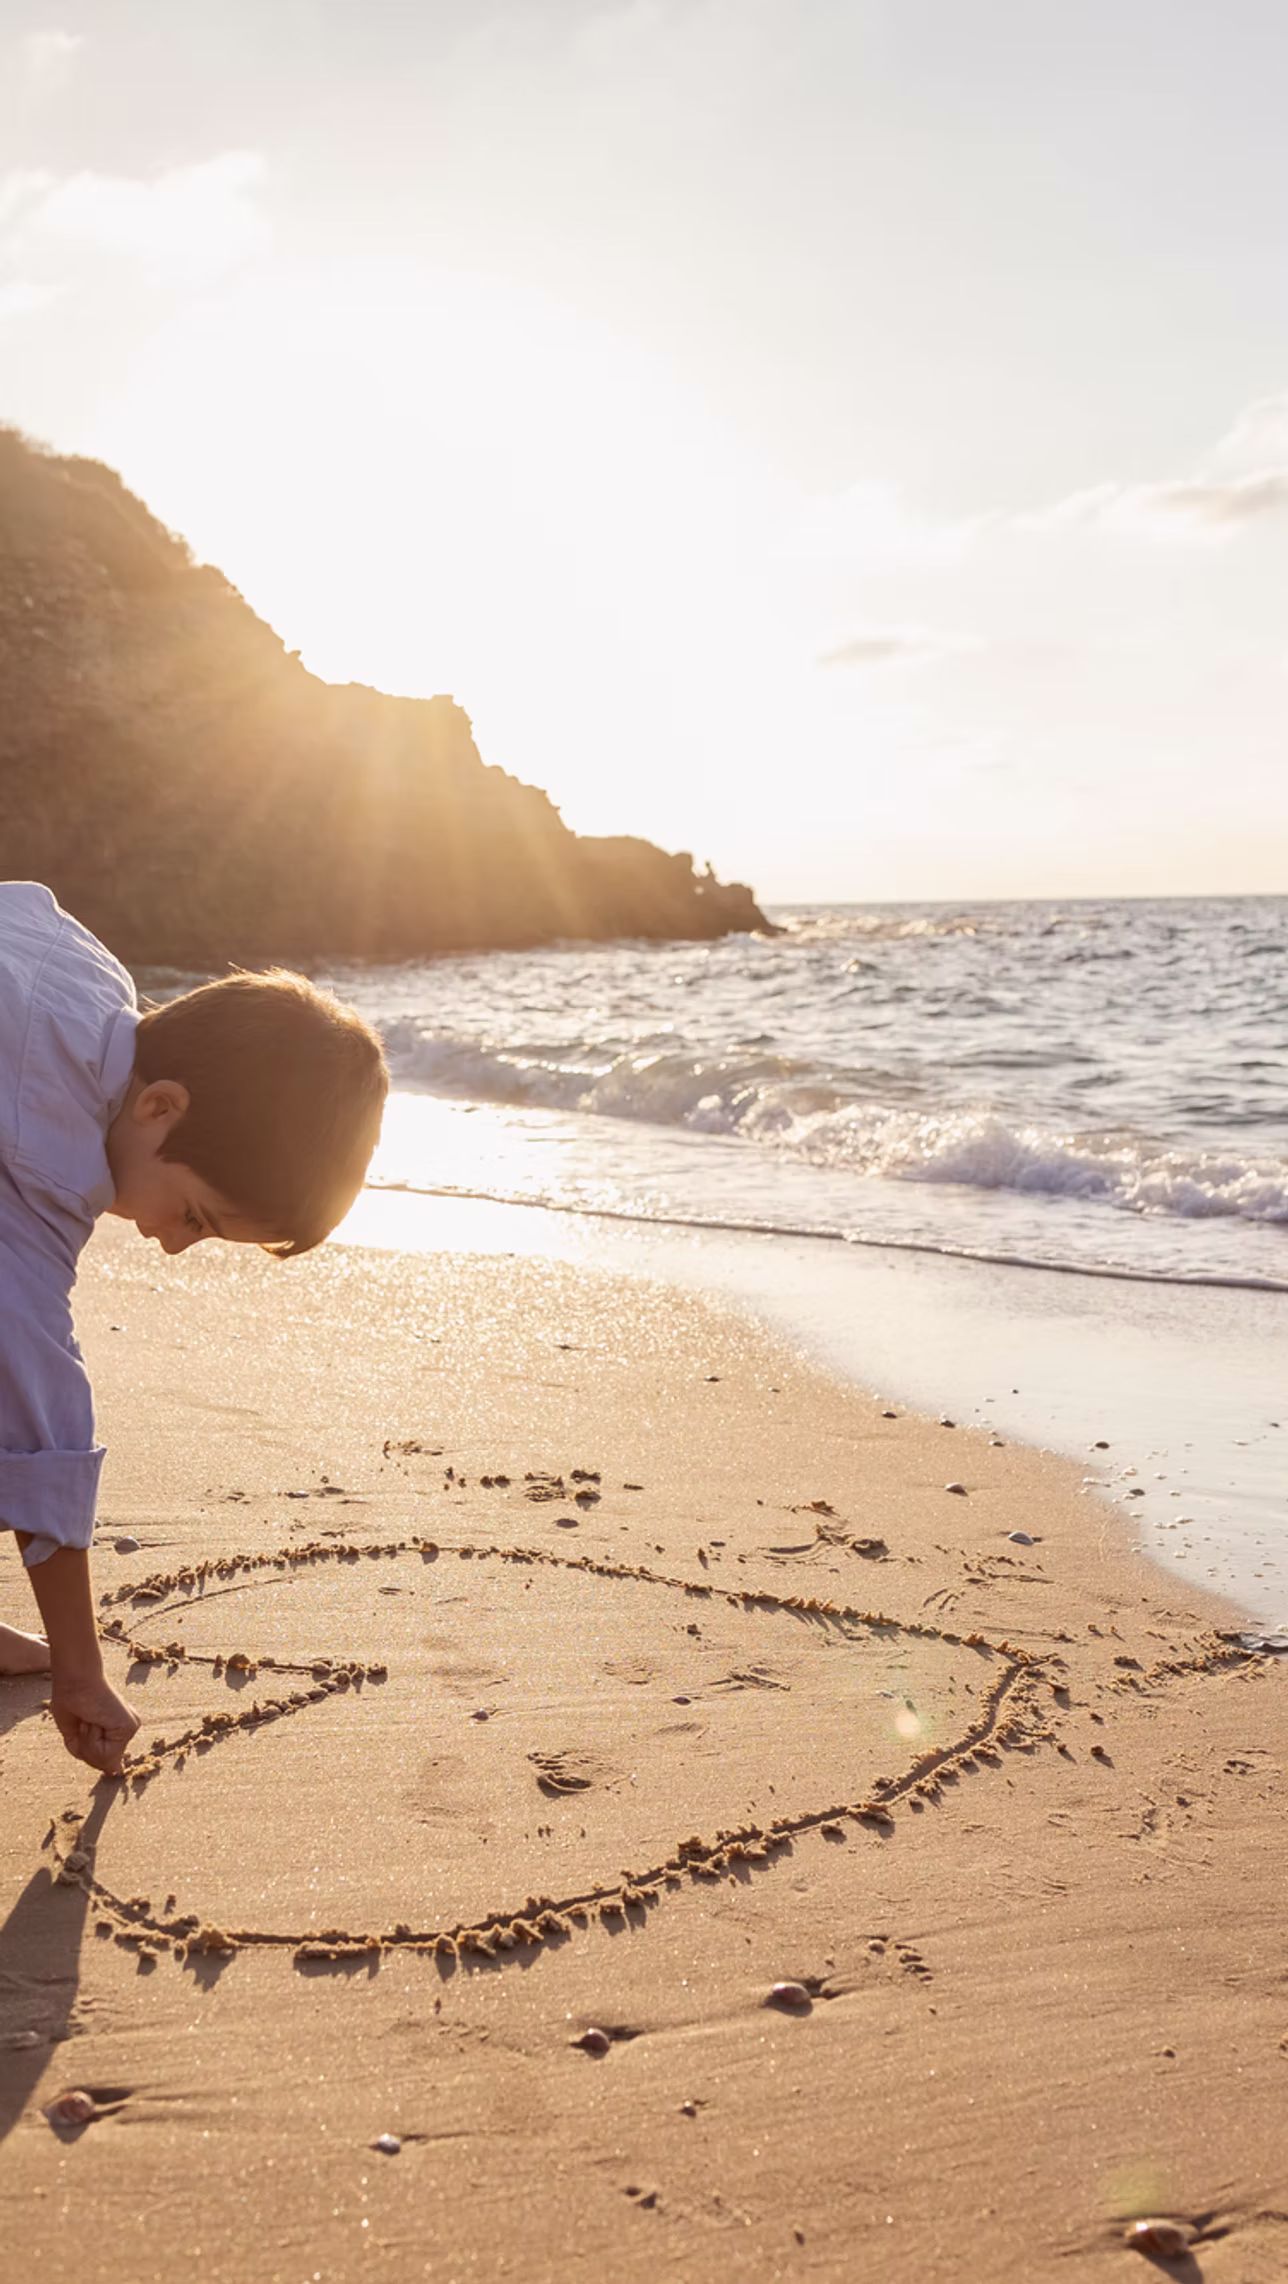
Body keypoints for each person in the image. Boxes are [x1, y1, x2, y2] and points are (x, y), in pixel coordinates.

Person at [0, 881, 388, 1775]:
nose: (172, 1246)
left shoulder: (91, 985)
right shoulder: (38, 1160)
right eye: (198, 1218)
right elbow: (43, 1420)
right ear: (160, 1107)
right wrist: (82, 1668)